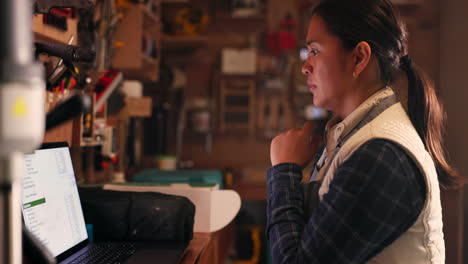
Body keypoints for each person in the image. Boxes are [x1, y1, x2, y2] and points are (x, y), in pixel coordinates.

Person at [266, 0, 464, 263]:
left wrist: (284, 171)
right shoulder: (356, 136)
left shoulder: (379, 154)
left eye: (314, 51)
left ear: (359, 57)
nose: (305, 67)